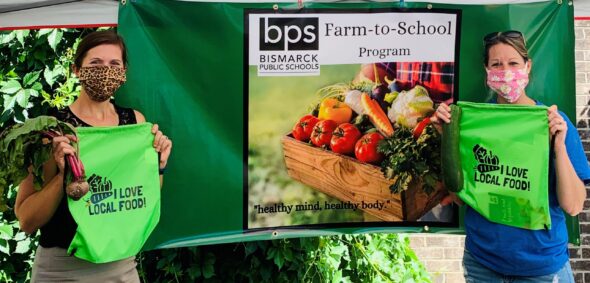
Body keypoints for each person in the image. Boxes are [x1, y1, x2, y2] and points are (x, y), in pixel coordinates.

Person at [14, 30, 172, 282]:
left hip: (121, 265)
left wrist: (159, 167)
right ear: (77, 69)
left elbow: (139, 196)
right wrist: (62, 176)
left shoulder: (133, 123)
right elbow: (26, 220)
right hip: (62, 270)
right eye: (95, 64)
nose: (105, 71)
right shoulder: (52, 130)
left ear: (124, 72)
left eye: (114, 64)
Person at [432, 30, 590, 282]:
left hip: (541, 269)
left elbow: (573, 206)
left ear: (528, 67)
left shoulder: (556, 124)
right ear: (486, 72)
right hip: (482, 263)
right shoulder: (473, 125)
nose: (505, 72)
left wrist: (558, 145)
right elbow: (460, 198)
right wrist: (447, 136)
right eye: (496, 64)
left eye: (514, 63)